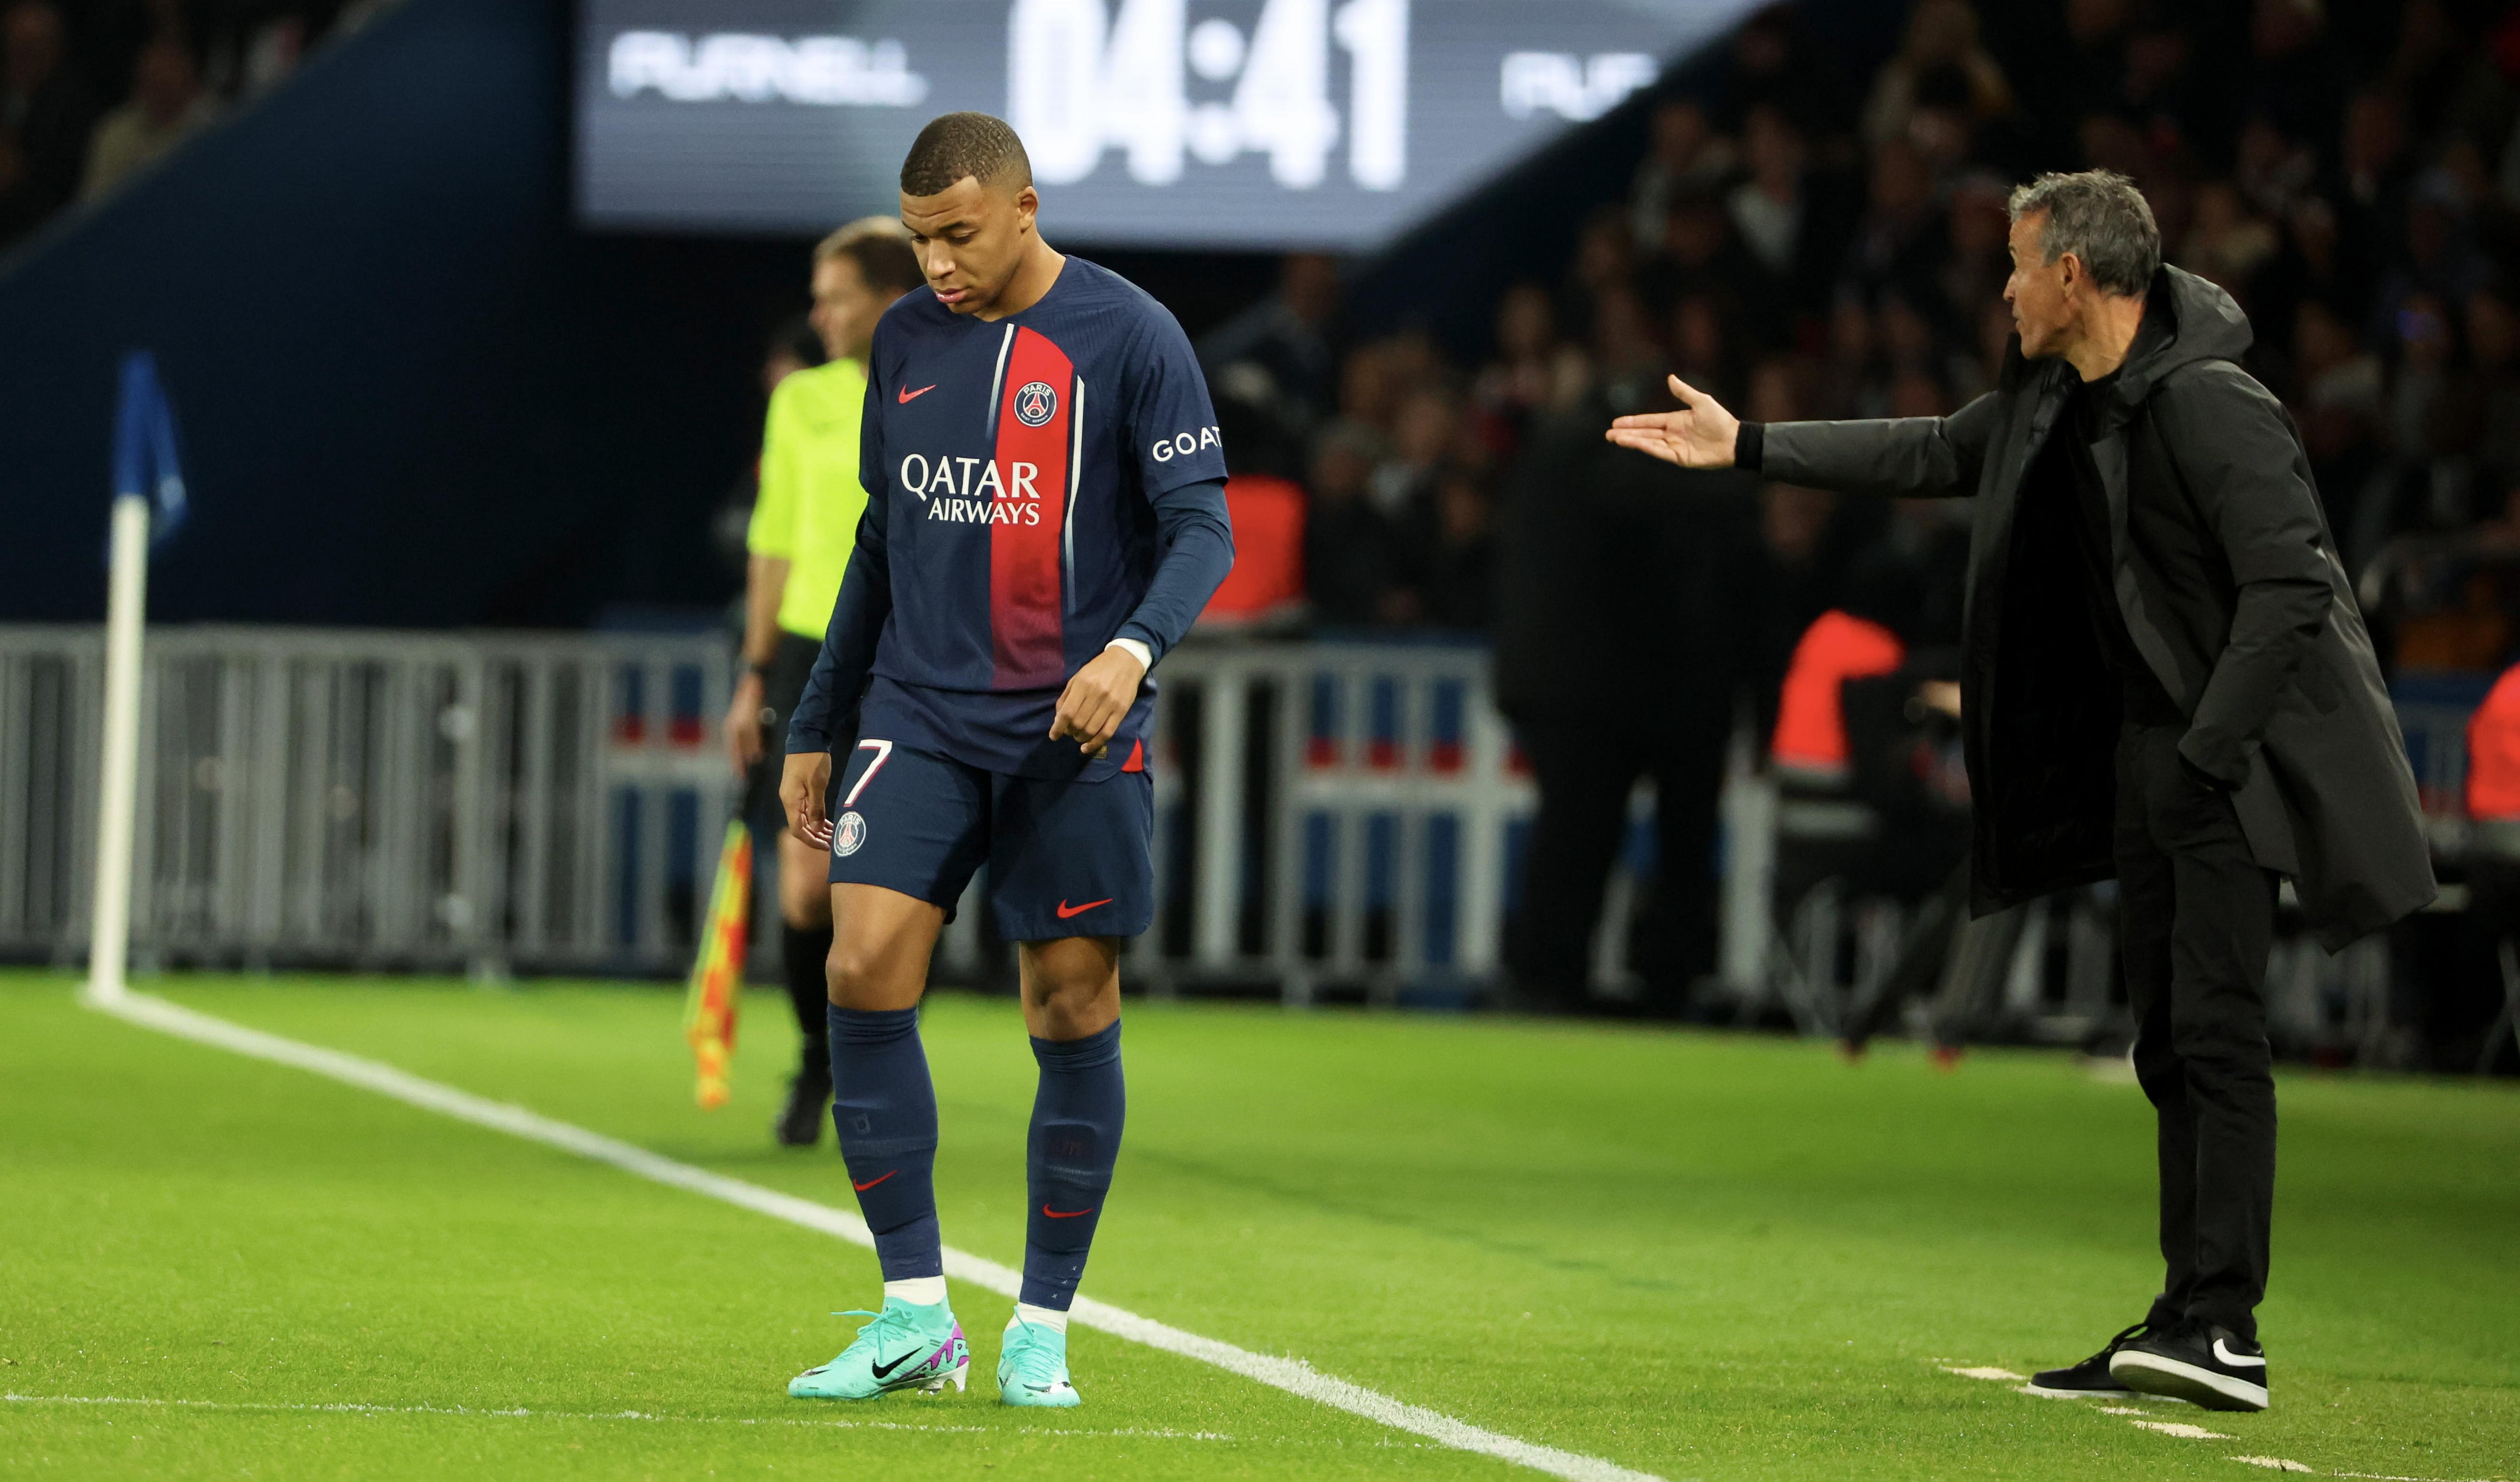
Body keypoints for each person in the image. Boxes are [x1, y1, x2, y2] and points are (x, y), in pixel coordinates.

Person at [1605, 169, 2434, 1413]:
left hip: (2220, 764)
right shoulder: (2061, 396)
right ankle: (2185, 1313)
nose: (1998, 285)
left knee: (2216, 1036)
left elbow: (2289, 589)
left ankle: (2227, 1326)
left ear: (2072, 276)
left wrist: (2208, 750)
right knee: (2169, 1039)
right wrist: (1752, 447)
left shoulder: (2212, 402)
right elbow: (1936, 449)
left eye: (2015, 262)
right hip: (2151, 759)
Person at [775, 112, 1232, 1408]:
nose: (937, 267)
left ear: (1024, 207)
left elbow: (1203, 529)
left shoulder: (1132, 337)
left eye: (959, 236)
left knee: (1068, 1005)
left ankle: (1042, 1325)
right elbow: (879, 541)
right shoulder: (907, 341)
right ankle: (913, 1311)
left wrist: (1133, 652)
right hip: (916, 711)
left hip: (1070, 727)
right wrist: (817, 720)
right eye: (919, 240)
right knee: (860, 966)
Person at [723, 220, 923, 1148]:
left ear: (888, 297)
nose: (820, 313)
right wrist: (753, 675)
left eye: (836, 295)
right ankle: (819, 1060)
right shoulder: (800, 400)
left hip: (914, 653)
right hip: (809, 654)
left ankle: (875, 1061)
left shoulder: (948, 384)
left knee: (892, 891)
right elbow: (773, 544)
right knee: (805, 884)